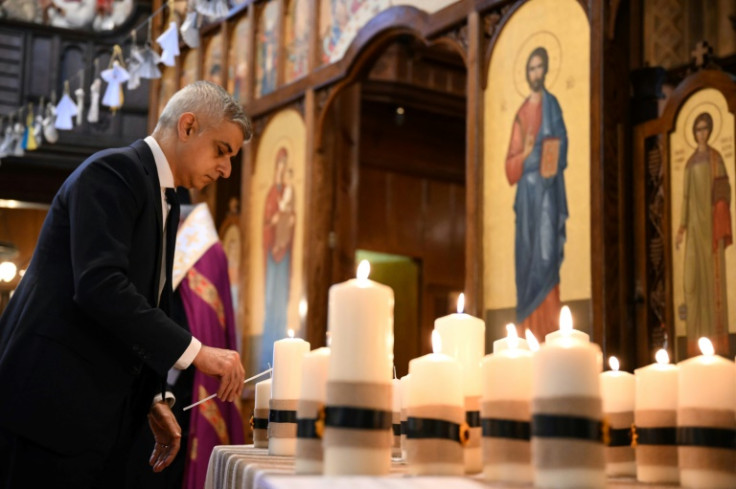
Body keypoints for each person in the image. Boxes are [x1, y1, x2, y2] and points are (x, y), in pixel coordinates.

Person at [0, 81, 250, 488]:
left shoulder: (165, 199)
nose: (226, 169)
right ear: (187, 126)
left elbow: (148, 307)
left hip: (90, 418)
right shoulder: (113, 172)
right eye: (222, 150)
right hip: (45, 409)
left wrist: (152, 398)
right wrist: (198, 352)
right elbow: (100, 286)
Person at [504, 46, 569, 338]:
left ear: (546, 70)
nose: (535, 73)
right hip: (527, 200)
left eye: (539, 67)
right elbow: (510, 165)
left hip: (547, 195)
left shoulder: (552, 105)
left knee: (546, 257)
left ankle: (551, 332)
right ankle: (526, 332)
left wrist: (543, 163)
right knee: (527, 257)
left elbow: (561, 144)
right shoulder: (520, 114)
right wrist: (529, 155)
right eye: (531, 68)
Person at [676, 112, 732, 356]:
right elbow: (686, 198)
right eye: (698, 129)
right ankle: (693, 342)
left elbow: (724, 190)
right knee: (692, 282)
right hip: (694, 231)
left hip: (710, 229)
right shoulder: (689, 163)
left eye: (705, 128)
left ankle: (716, 343)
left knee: (711, 283)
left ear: (709, 131)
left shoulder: (716, 158)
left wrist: (719, 208)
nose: (702, 133)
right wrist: (681, 228)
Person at [260, 148, 295, 371]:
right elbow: (267, 220)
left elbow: (292, 217)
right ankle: (269, 342)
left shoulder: (290, 192)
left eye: (285, 167)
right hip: (272, 253)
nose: (281, 171)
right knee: (272, 297)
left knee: (281, 298)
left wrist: (288, 220)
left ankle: (281, 335)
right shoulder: (272, 193)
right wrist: (274, 220)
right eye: (279, 166)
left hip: (284, 254)